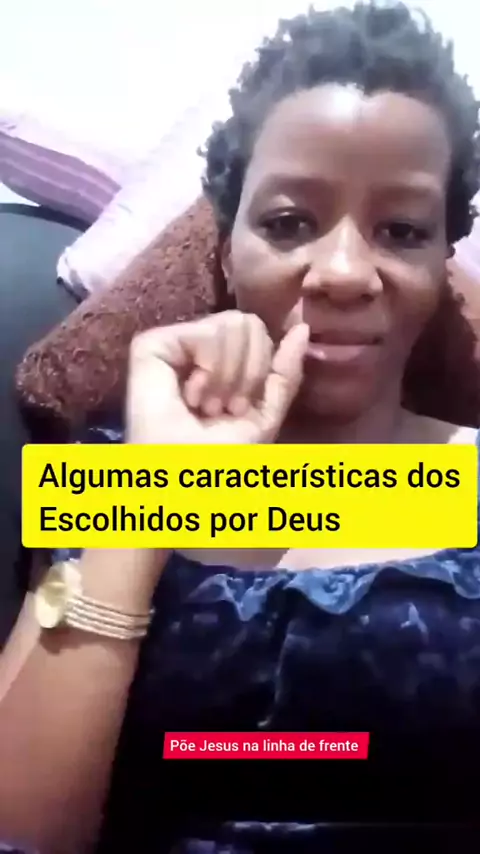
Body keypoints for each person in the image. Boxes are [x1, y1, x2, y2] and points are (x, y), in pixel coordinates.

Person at [1, 2, 480, 852]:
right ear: (227, 248)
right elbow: (19, 831)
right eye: (290, 222)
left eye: (401, 230)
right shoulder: (110, 476)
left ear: (442, 261)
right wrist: (155, 496)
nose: (342, 272)